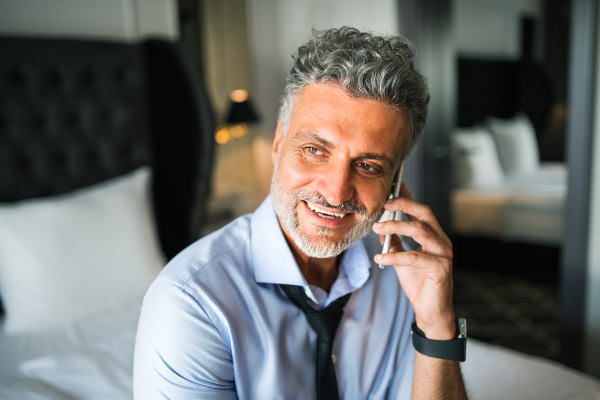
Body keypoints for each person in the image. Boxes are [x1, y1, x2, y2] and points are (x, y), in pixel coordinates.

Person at [134, 27, 468, 399]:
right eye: (314, 149)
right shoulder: (191, 304)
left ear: (395, 180)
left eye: (369, 166)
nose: (336, 191)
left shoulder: (402, 274)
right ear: (278, 144)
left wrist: (436, 324)